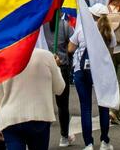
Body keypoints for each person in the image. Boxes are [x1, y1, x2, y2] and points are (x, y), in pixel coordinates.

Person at [0, 45, 65, 150]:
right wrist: (56, 67)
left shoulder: (3, 58)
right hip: (40, 117)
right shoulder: (46, 56)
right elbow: (59, 89)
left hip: (11, 119)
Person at [68, 3, 114, 150]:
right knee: (104, 105)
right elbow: (111, 51)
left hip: (81, 70)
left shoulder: (82, 29)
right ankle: (104, 141)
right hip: (101, 71)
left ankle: (88, 143)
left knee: (85, 107)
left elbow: (70, 48)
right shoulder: (108, 31)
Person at [42, 15, 74, 146]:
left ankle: (42, 138)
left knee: (43, 103)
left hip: (42, 66)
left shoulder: (40, 26)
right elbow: (72, 45)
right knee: (62, 104)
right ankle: (64, 136)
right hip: (61, 67)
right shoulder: (65, 25)